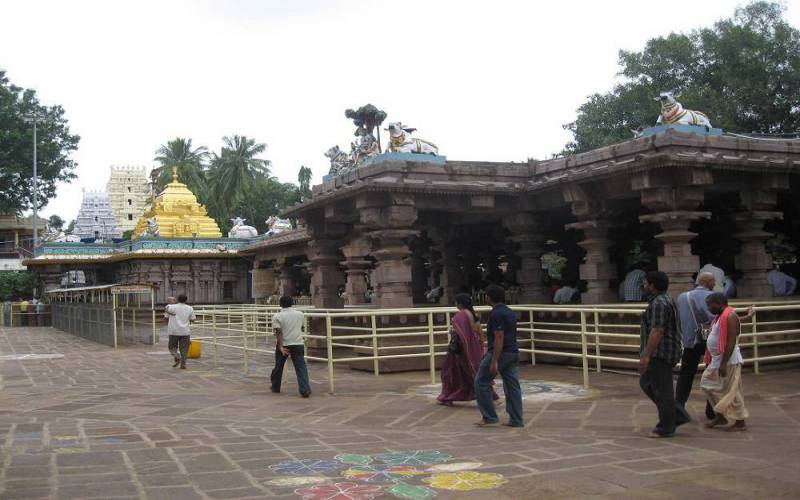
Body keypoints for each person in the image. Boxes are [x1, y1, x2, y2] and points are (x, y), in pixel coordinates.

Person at [639, 271, 685, 438]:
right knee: (647, 382)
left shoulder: (659, 303)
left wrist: (646, 355)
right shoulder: (666, 299)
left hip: (661, 352)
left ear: (652, 285)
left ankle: (666, 426)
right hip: (666, 350)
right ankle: (677, 414)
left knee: (662, 390)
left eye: (646, 283)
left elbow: (657, 330)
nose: (644, 286)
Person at [475, 285, 523, 428]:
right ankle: (516, 419)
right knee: (512, 386)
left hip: (500, 353)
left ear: (489, 297)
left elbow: (499, 337)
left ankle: (489, 416)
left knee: (481, 381)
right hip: (512, 352)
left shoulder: (496, 314)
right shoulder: (509, 311)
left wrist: (494, 360)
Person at [438, 294, 498, 405]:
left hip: (462, 350)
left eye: (456, 302)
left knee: (452, 373)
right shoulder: (472, 315)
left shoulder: (462, 315)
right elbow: (479, 333)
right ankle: (490, 396)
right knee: (473, 372)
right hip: (473, 348)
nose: (455, 304)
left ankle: (449, 397)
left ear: (460, 303)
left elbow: (463, 334)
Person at [701, 293, 748, 431]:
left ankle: (740, 422)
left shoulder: (730, 316)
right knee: (707, 384)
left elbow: (731, 341)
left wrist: (723, 363)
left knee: (733, 391)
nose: (708, 308)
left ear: (719, 303)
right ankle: (720, 415)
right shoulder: (721, 317)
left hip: (729, 360)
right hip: (717, 360)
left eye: (710, 305)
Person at [675, 272, 716, 420]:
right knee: (712, 375)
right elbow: (715, 317)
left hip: (689, 341)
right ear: (707, 282)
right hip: (708, 340)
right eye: (713, 281)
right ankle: (711, 409)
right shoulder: (712, 297)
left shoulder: (682, 297)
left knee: (685, 375)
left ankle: (678, 407)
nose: (715, 283)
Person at [270, 295, 311, 398]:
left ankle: (275, 386)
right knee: (301, 367)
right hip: (298, 342)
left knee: (278, 367)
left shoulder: (277, 316)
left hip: (285, 344)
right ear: (292, 303)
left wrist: (280, 346)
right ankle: (305, 389)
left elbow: (278, 332)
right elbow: (301, 327)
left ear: (280, 304)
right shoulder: (300, 314)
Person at [165, 294, 195, 369]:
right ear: (186, 300)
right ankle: (183, 363)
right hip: (185, 331)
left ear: (177, 299)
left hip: (173, 331)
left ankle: (178, 357)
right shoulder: (190, 308)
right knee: (184, 348)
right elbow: (193, 319)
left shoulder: (172, 307)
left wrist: (169, 312)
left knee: (172, 347)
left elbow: (166, 313)